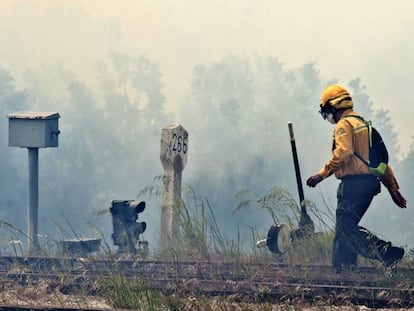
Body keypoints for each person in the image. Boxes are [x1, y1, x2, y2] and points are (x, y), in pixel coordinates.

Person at [306, 84, 407, 272]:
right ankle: (345, 270)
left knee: (345, 228)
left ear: (335, 106)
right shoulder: (363, 124)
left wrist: (321, 174)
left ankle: (387, 253)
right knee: (345, 227)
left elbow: (344, 152)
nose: (329, 116)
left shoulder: (344, 125)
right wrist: (393, 189)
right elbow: (380, 162)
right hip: (368, 184)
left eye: (328, 111)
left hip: (354, 184)